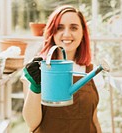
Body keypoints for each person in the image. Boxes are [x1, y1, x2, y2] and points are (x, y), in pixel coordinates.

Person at [21, 5, 103, 133]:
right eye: (59, 28)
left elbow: (93, 119)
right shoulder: (37, 69)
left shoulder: (91, 71)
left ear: (83, 32)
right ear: (52, 32)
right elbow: (32, 124)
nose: (66, 34)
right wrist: (36, 86)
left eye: (74, 28)